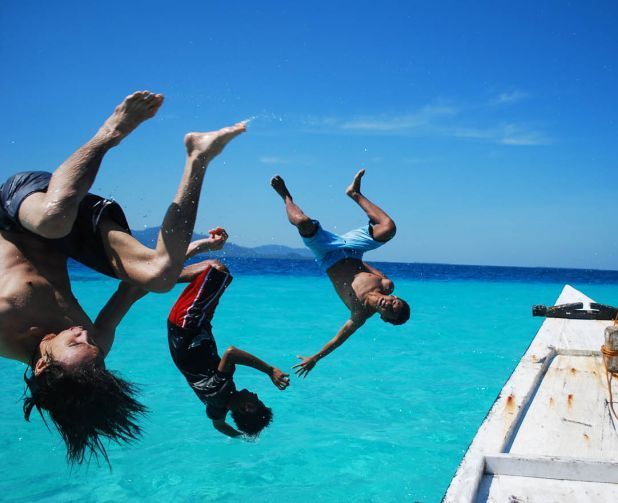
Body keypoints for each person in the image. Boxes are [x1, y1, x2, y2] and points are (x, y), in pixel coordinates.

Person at [0, 91, 245, 463]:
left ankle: (109, 132)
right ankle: (199, 155)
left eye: (77, 343)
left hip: (20, 213)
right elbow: (132, 290)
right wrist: (192, 253)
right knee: (159, 277)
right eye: (94, 350)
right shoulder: (94, 347)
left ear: (42, 365)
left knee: (53, 219)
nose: (85, 334)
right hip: (70, 234)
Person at [271, 169, 410, 378]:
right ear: (394, 297)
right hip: (352, 249)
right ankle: (355, 193)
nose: (388, 305)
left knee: (303, 222)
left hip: (326, 254)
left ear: (383, 318)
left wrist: (315, 357)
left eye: (390, 311)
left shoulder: (359, 314)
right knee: (389, 228)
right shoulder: (386, 285)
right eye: (394, 303)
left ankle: (286, 196)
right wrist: (359, 261)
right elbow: (368, 267)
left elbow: (338, 340)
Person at [167, 259, 289, 438]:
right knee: (223, 279)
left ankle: (157, 277)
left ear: (247, 408)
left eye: (257, 401)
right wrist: (241, 436)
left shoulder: (221, 388)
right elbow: (219, 425)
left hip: (186, 324)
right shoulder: (218, 407)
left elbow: (231, 353)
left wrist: (270, 370)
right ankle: (158, 278)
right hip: (198, 326)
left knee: (218, 270)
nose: (255, 395)